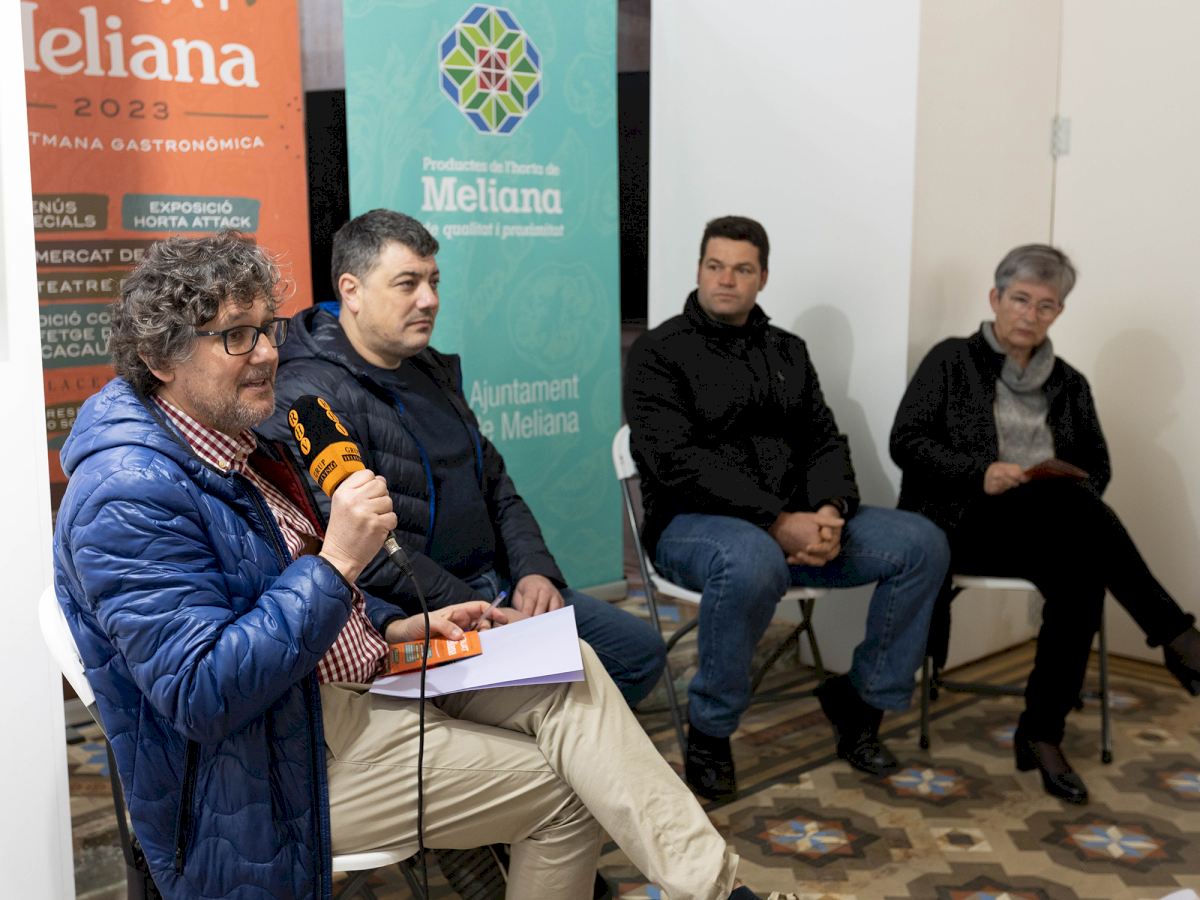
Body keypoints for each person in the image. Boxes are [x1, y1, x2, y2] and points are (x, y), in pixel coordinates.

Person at [51, 233, 785, 900]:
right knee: (568, 791)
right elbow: (201, 694)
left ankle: (718, 893)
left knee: (574, 667)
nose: (268, 353)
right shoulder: (127, 494)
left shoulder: (234, 442)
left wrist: (394, 628)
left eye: (267, 329)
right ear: (161, 359)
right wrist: (339, 562)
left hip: (346, 683)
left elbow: (290, 585)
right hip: (265, 770)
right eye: (236, 337)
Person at [261, 209, 665, 711]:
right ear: (352, 290)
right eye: (407, 283)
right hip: (425, 614)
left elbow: (496, 485)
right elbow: (366, 549)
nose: (429, 299)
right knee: (561, 702)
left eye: (433, 281)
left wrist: (534, 571)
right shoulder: (306, 396)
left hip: (500, 586)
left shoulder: (429, 367)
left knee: (639, 653)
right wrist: (480, 612)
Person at [623, 215, 949, 801]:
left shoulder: (787, 351)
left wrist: (831, 511)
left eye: (742, 269)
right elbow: (677, 464)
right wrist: (777, 521)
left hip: (793, 522)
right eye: (715, 266)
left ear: (763, 277)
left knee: (921, 543)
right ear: (699, 270)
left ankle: (859, 702)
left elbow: (823, 439)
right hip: (691, 525)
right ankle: (710, 731)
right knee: (752, 560)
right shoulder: (658, 352)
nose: (726, 279)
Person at [890, 243, 1200, 804]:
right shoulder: (951, 360)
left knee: (1081, 574)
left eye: (1046, 305)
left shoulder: (1069, 382)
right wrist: (980, 472)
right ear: (995, 298)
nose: (1030, 315)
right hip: (961, 525)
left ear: (1059, 312)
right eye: (1020, 299)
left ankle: (1041, 732)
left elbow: (1097, 467)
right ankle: (1176, 635)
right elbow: (906, 442)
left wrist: (1051, 482)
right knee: (1077, 513)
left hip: (1041, 530)